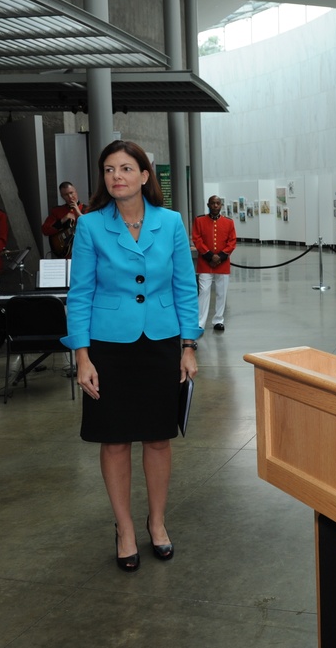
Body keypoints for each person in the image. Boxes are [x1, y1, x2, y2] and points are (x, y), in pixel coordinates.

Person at [61, 140, 202, 573]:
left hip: (161, 341)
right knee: (115, 438)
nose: (116, 176)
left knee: (159, 437)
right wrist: (82, 357)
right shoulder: (90, 227)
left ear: (145, 176)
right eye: (108, 169)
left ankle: (156, 521)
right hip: (108, 346)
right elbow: (80, 294)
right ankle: (124, 528)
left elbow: (185, 287)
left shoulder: (172, 222)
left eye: (125, 168)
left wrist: (189, 346)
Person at [192, 195, 237, 332]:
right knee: (204, 292)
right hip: (205, 263)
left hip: (222, 264)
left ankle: (218, 320)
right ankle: (200, 322)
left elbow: (232, 241)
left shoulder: (228, 223)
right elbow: (197, 239)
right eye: (213, 203)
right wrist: (210, 256)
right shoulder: (199, 220)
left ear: (221, 205)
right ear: (208, 205)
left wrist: (221, 257)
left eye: (218, 203)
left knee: (221, 293)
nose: (215, 206)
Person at [41, 181, 88, 258]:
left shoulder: (88, 210)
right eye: (66, 195)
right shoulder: (57, 211)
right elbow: (45, 230)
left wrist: (78, 212)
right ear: (62, 196)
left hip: (83, 253)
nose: (70, 197)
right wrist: (62, 220)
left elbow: (93, 229)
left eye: (71, 193)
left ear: (76, 192)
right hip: (66, 254)